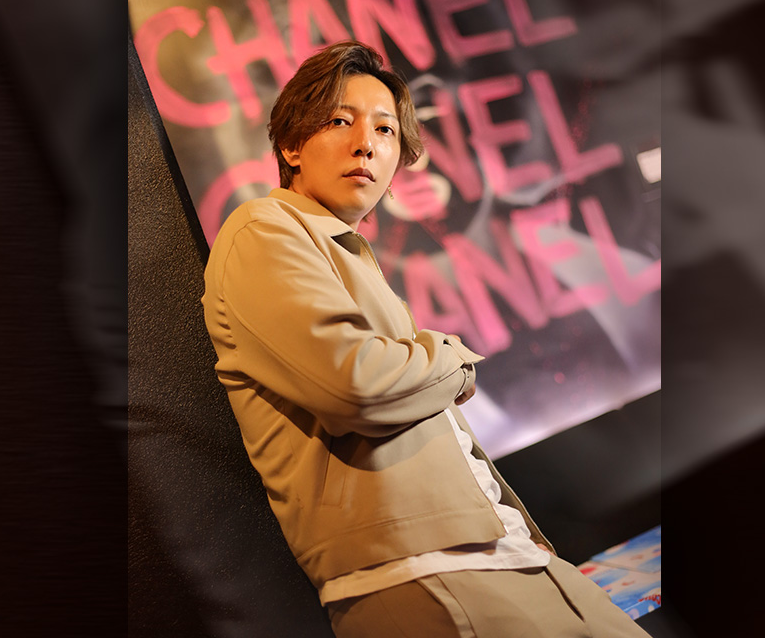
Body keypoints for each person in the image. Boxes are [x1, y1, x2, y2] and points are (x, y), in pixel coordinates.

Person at [202, 40, 650, 637]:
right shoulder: (263, 228)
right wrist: (455, 358)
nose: (367, 143)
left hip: (502, 551)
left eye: (385, 130)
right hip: (420, 567)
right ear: (291, 146)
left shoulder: (348, 255)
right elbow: (356, 386)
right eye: (340, 121)